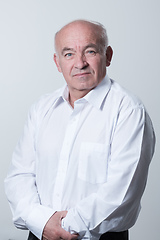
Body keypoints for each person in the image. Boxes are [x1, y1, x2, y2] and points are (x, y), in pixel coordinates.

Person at [4, 19, 155, 240]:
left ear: (108, 55)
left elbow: (121, 195)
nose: (80, 63)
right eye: (68, 54)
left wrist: (62, 228)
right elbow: (19, 175)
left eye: (90, 51)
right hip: (40, 233)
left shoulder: (129, 111)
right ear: (57, 62)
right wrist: (42, 222)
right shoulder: (41, 109)